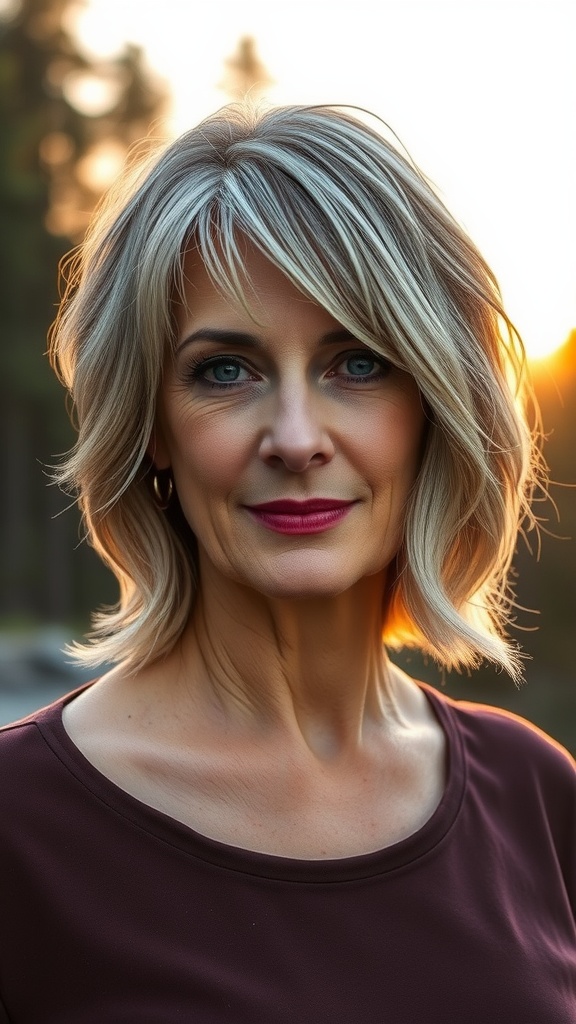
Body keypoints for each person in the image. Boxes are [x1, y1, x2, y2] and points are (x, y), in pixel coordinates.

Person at [0, 103, 574, 1023]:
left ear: (431, 404)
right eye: (225, 372)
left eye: (357, 363)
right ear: (150, 427)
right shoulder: (21, 832)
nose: (297, 439)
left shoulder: (539, 799)